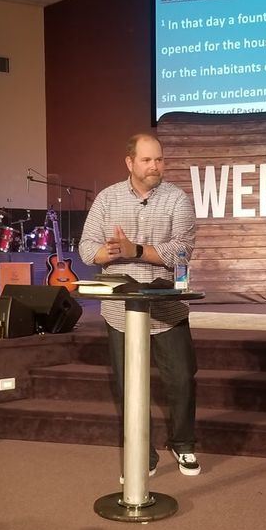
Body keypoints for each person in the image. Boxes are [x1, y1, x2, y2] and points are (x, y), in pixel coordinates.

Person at [79, 132, 200, 478]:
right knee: (129, 385)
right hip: (122, 311)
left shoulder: (177, 199)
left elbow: (182, 250)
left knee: (182, 379)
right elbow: (86, 249)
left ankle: (183, 443)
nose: (154, 166)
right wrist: (110, 251)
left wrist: (136, 251)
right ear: (130, 162)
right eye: (147, 160)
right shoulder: (107, 199)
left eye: (159, 160)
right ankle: (142, 454)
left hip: (167, 307)